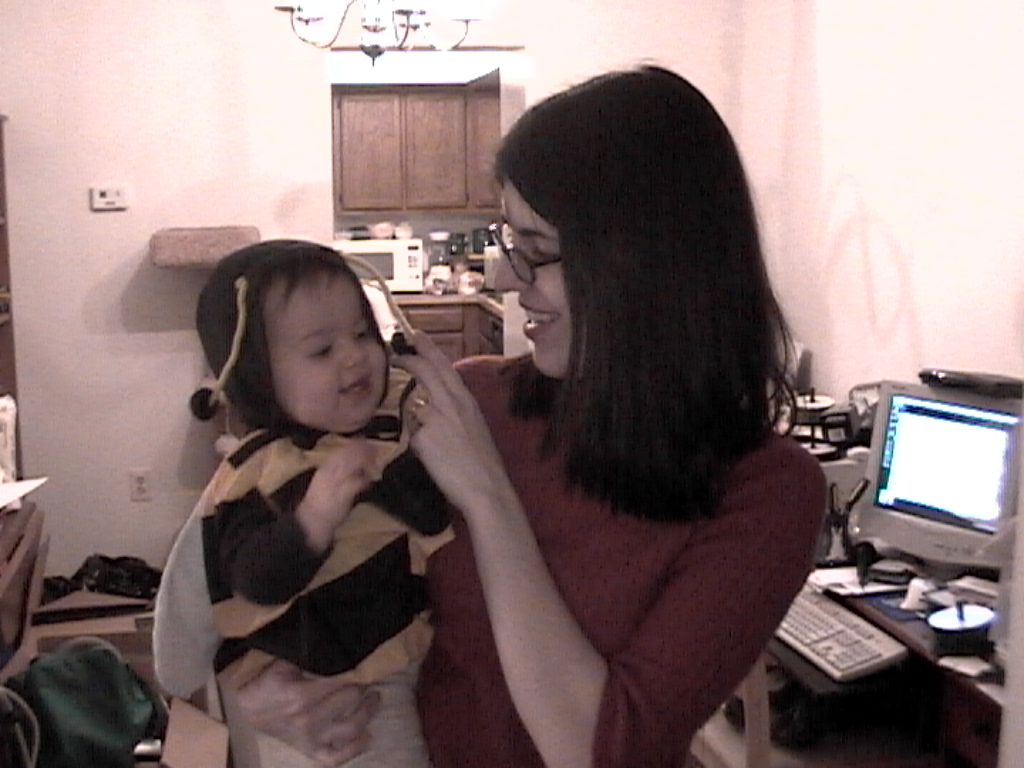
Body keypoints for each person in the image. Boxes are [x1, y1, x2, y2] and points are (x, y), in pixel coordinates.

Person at [155, 66, 826, 768]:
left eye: (534, 250)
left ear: (642, 261)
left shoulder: (769, 492)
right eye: (510, 242)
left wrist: (487, 497)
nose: (502, 277)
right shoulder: (469, 397)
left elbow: (601, 752)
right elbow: (216, 566)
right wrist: (253, 693)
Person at [172, 239, 451, 768]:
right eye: (322, 350)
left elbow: (436, 517)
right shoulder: (256, 472)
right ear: (257, 377)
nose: (354, 356)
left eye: (362, 334)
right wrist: (315, 515)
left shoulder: (393, 425)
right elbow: (252, 579)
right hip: (333, 685)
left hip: (401, 655)